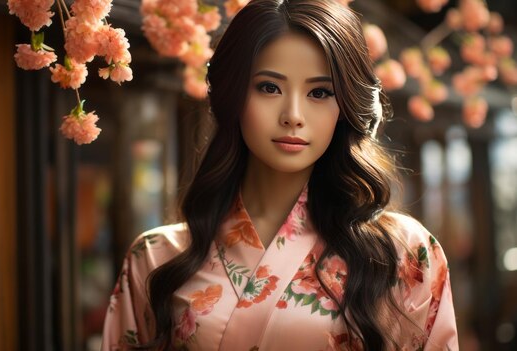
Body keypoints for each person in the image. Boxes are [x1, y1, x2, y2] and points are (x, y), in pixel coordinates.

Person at [102, 0, 459, 349]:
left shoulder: (401, 252)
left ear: (346, 108)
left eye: (319, 92)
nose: (293, 115)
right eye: (269, 87)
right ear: (234, 96)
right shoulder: (159, 257)